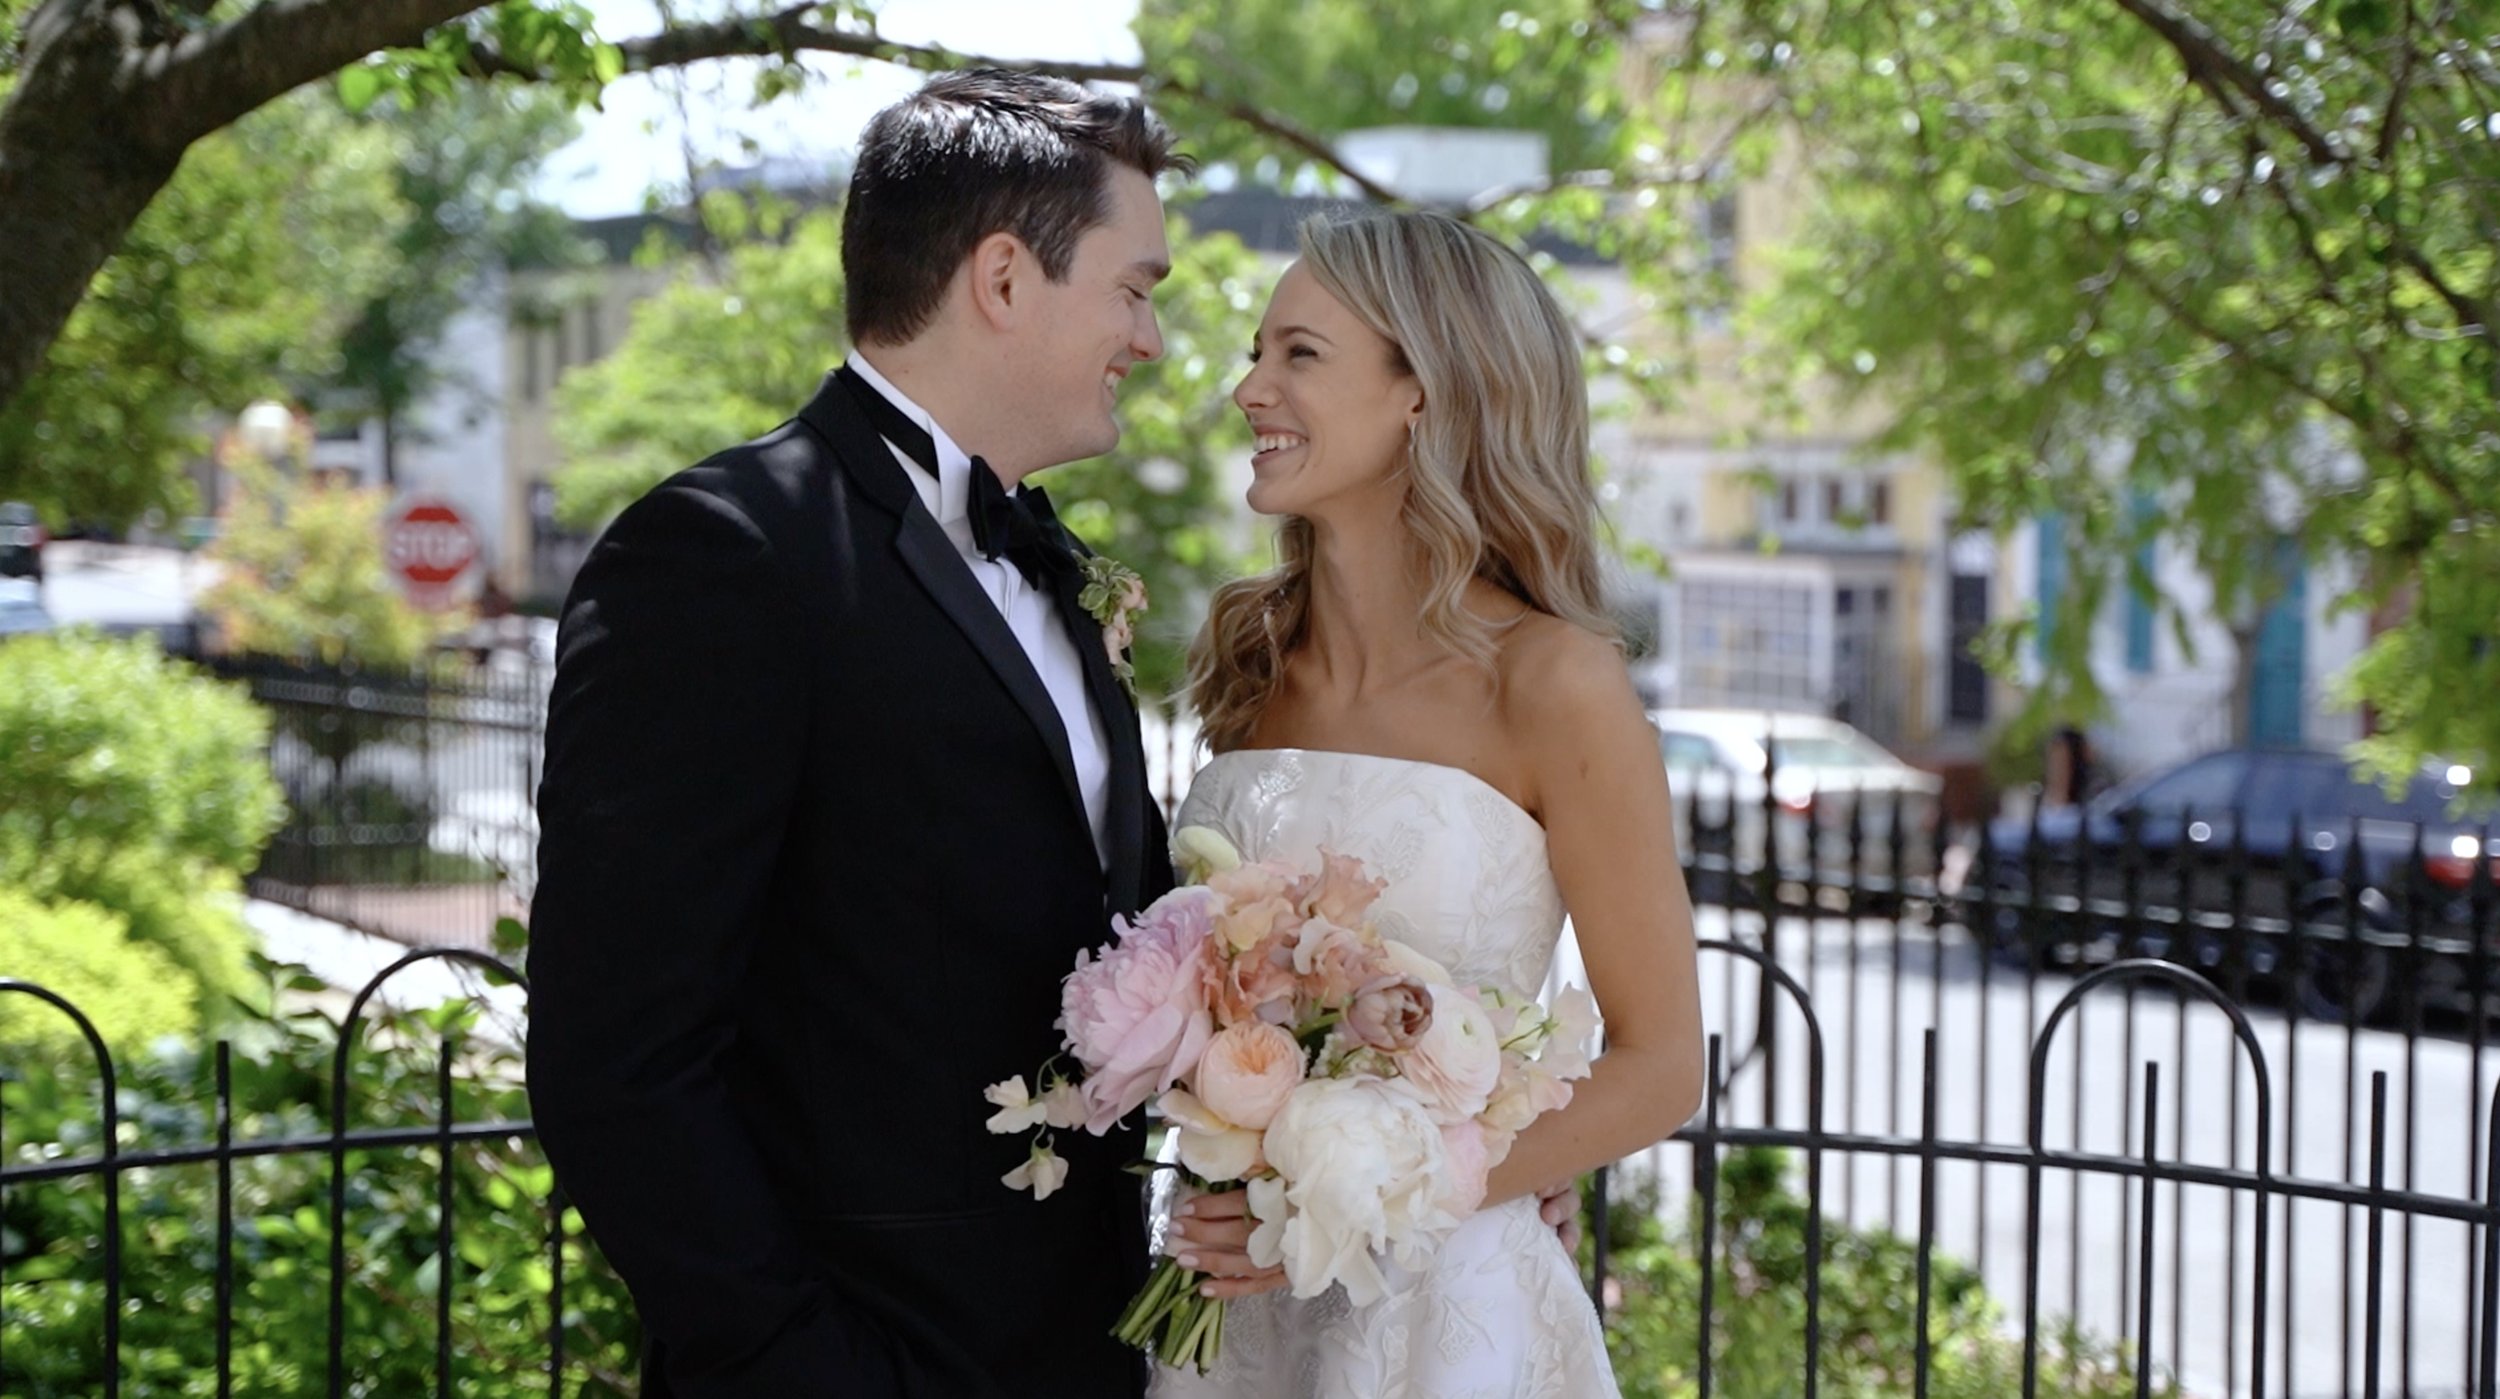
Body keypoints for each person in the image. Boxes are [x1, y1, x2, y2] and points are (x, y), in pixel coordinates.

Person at [525, 70, 1188, 1398]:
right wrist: (804, 1365)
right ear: (1004, 277)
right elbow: (619, 1059)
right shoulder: (728, 551)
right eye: (1135, 288)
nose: (1152, 339)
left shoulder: (1056, 562)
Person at [1153, 210, 1707, 1397]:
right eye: (1256, 353)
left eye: (1299, 354)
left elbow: (1662, 1063)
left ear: (1424, 391)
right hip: (1234, 1318)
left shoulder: (1555, 682)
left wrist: (1343, 1201)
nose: (1249, 389)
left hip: (1443, 1316)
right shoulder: (1253, 663)